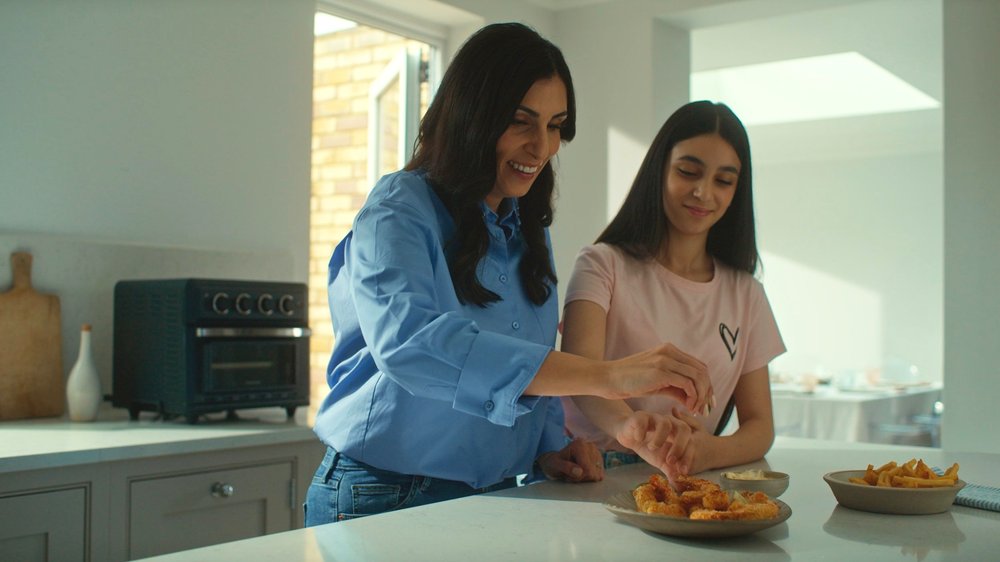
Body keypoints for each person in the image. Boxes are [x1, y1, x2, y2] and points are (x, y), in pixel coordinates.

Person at [304, 23, 712, 525]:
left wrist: (549, 447)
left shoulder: (527, 232)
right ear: (471, 117)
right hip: (384, 492)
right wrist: (608, 376)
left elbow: (521, 357)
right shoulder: (398, 211)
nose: (541, 147)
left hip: (493, 494)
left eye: (556, 125)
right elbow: (412, 344)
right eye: (522, 122)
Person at [559, 100, 786, 481]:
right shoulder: (601, 264)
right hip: (596, 477)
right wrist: (633, 432)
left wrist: (710, 451)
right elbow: (582, 377)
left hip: (690, 483)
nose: (703, 192)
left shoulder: (747, 294)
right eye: (688, 171)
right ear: (659, 169)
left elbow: (760, 425)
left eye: (723, 181)